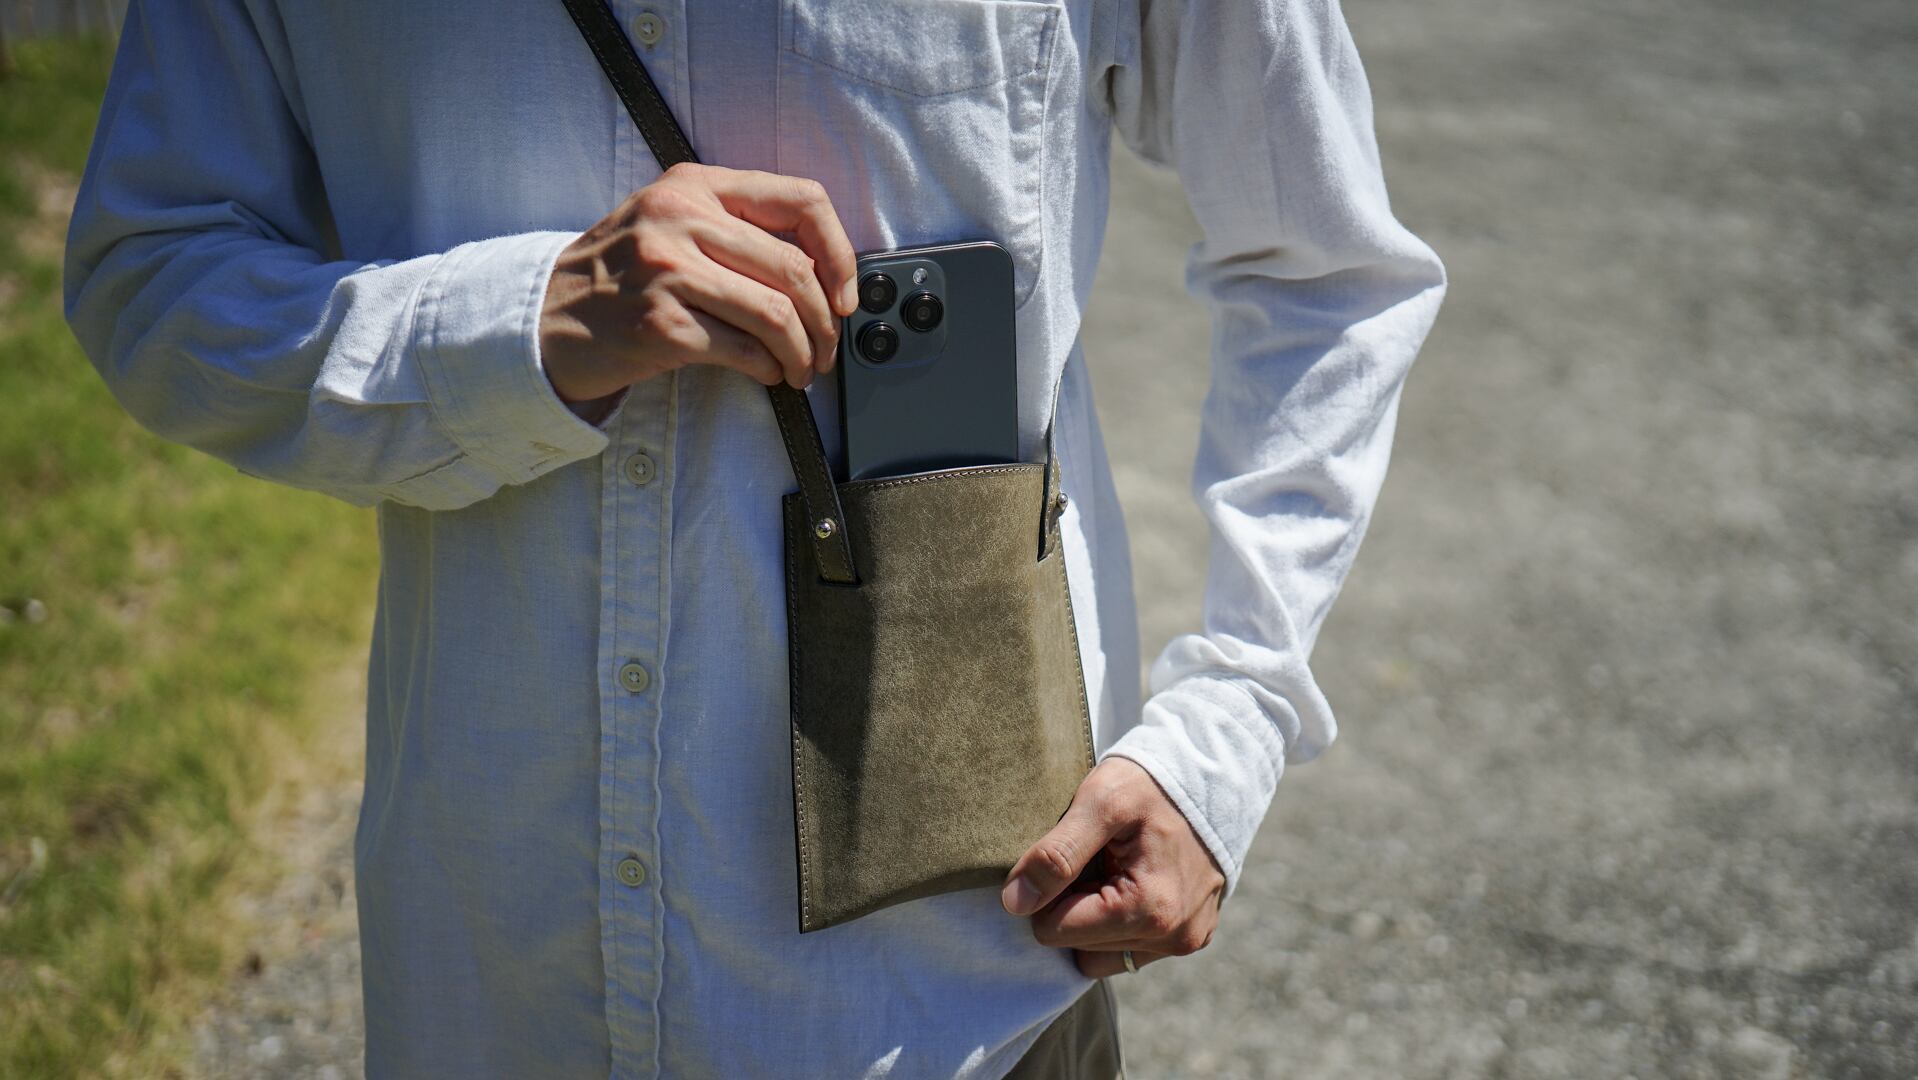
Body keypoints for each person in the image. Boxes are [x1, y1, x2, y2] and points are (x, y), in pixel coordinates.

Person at [63, 0, 1445, 1076]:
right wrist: (517, 326)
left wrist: (1231, 723)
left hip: (950, 1009)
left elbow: (1330, 268)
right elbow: (152, 269)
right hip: (498, 984)